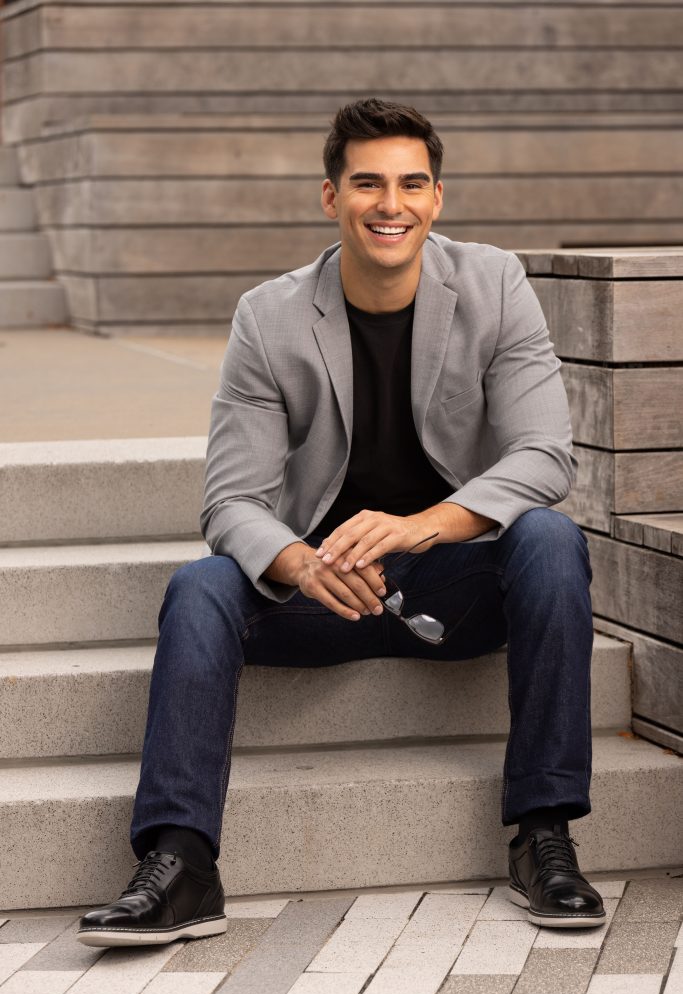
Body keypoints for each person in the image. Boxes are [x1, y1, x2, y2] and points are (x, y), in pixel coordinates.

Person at [77, 97, 605, 947]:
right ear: (331, 198)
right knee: (201, 587)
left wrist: (417, 527)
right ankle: (181, 864)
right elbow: (230, 501)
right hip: (321, 589)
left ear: (437, 198)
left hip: (453, 584)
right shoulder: (270, 315)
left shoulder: (494, 284)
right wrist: (294, 563)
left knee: (549, 539)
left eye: (410, 184)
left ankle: (543, 835)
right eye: (366, 183)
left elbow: (544, 458)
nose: (389, 204)